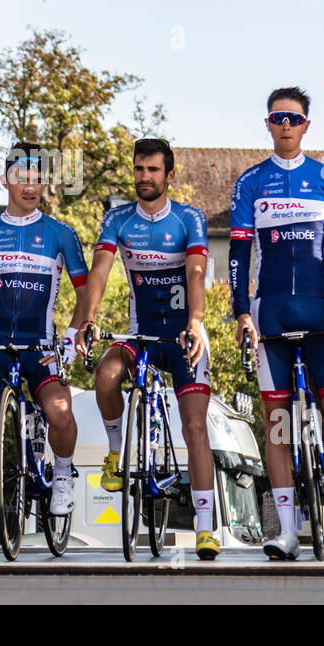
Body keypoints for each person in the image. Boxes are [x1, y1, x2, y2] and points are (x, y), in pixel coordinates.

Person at [230, 86, 324, 561]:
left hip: (321, 313)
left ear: (306, 125)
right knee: (277, 425)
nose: (286, 125)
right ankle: (286, 532)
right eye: (278, 118)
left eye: (294, 119)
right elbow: (238, 253)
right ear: (268, 124)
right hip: (270, 313)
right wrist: (240, 313)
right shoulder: (250, 182)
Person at [79, 138, 221, 561]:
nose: (144, 177)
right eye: (139, 169)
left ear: (169, 175)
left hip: (183, 337)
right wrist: (89, 316)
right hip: (141, 334)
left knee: (195, 427)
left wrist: (196, 322)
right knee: (105, 375)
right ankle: (114, 452)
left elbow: (196, 272)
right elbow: (100, 271)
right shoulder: (118, 219)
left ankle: (205, 528)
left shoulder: (189, 219)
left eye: (153, 170)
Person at [0, 143, 91, 559]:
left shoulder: (60, 234)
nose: (30, 187)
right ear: (6, 179)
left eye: (38, 179)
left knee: (61, 413)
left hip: (41, 346)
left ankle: (64, 474)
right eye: (22, 178)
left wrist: (70, 338)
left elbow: (86, 293)